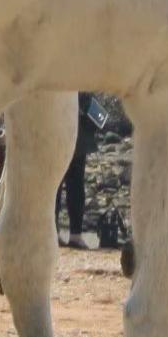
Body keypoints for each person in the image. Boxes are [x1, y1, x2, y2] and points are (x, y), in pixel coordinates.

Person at [55, 92, 100, 248]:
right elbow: (100, 118)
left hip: (64, 141)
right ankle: (74, 234)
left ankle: (57, 232)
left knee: (57, 188)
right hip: (76, 143)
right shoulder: (83, 90)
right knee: (74, 189)